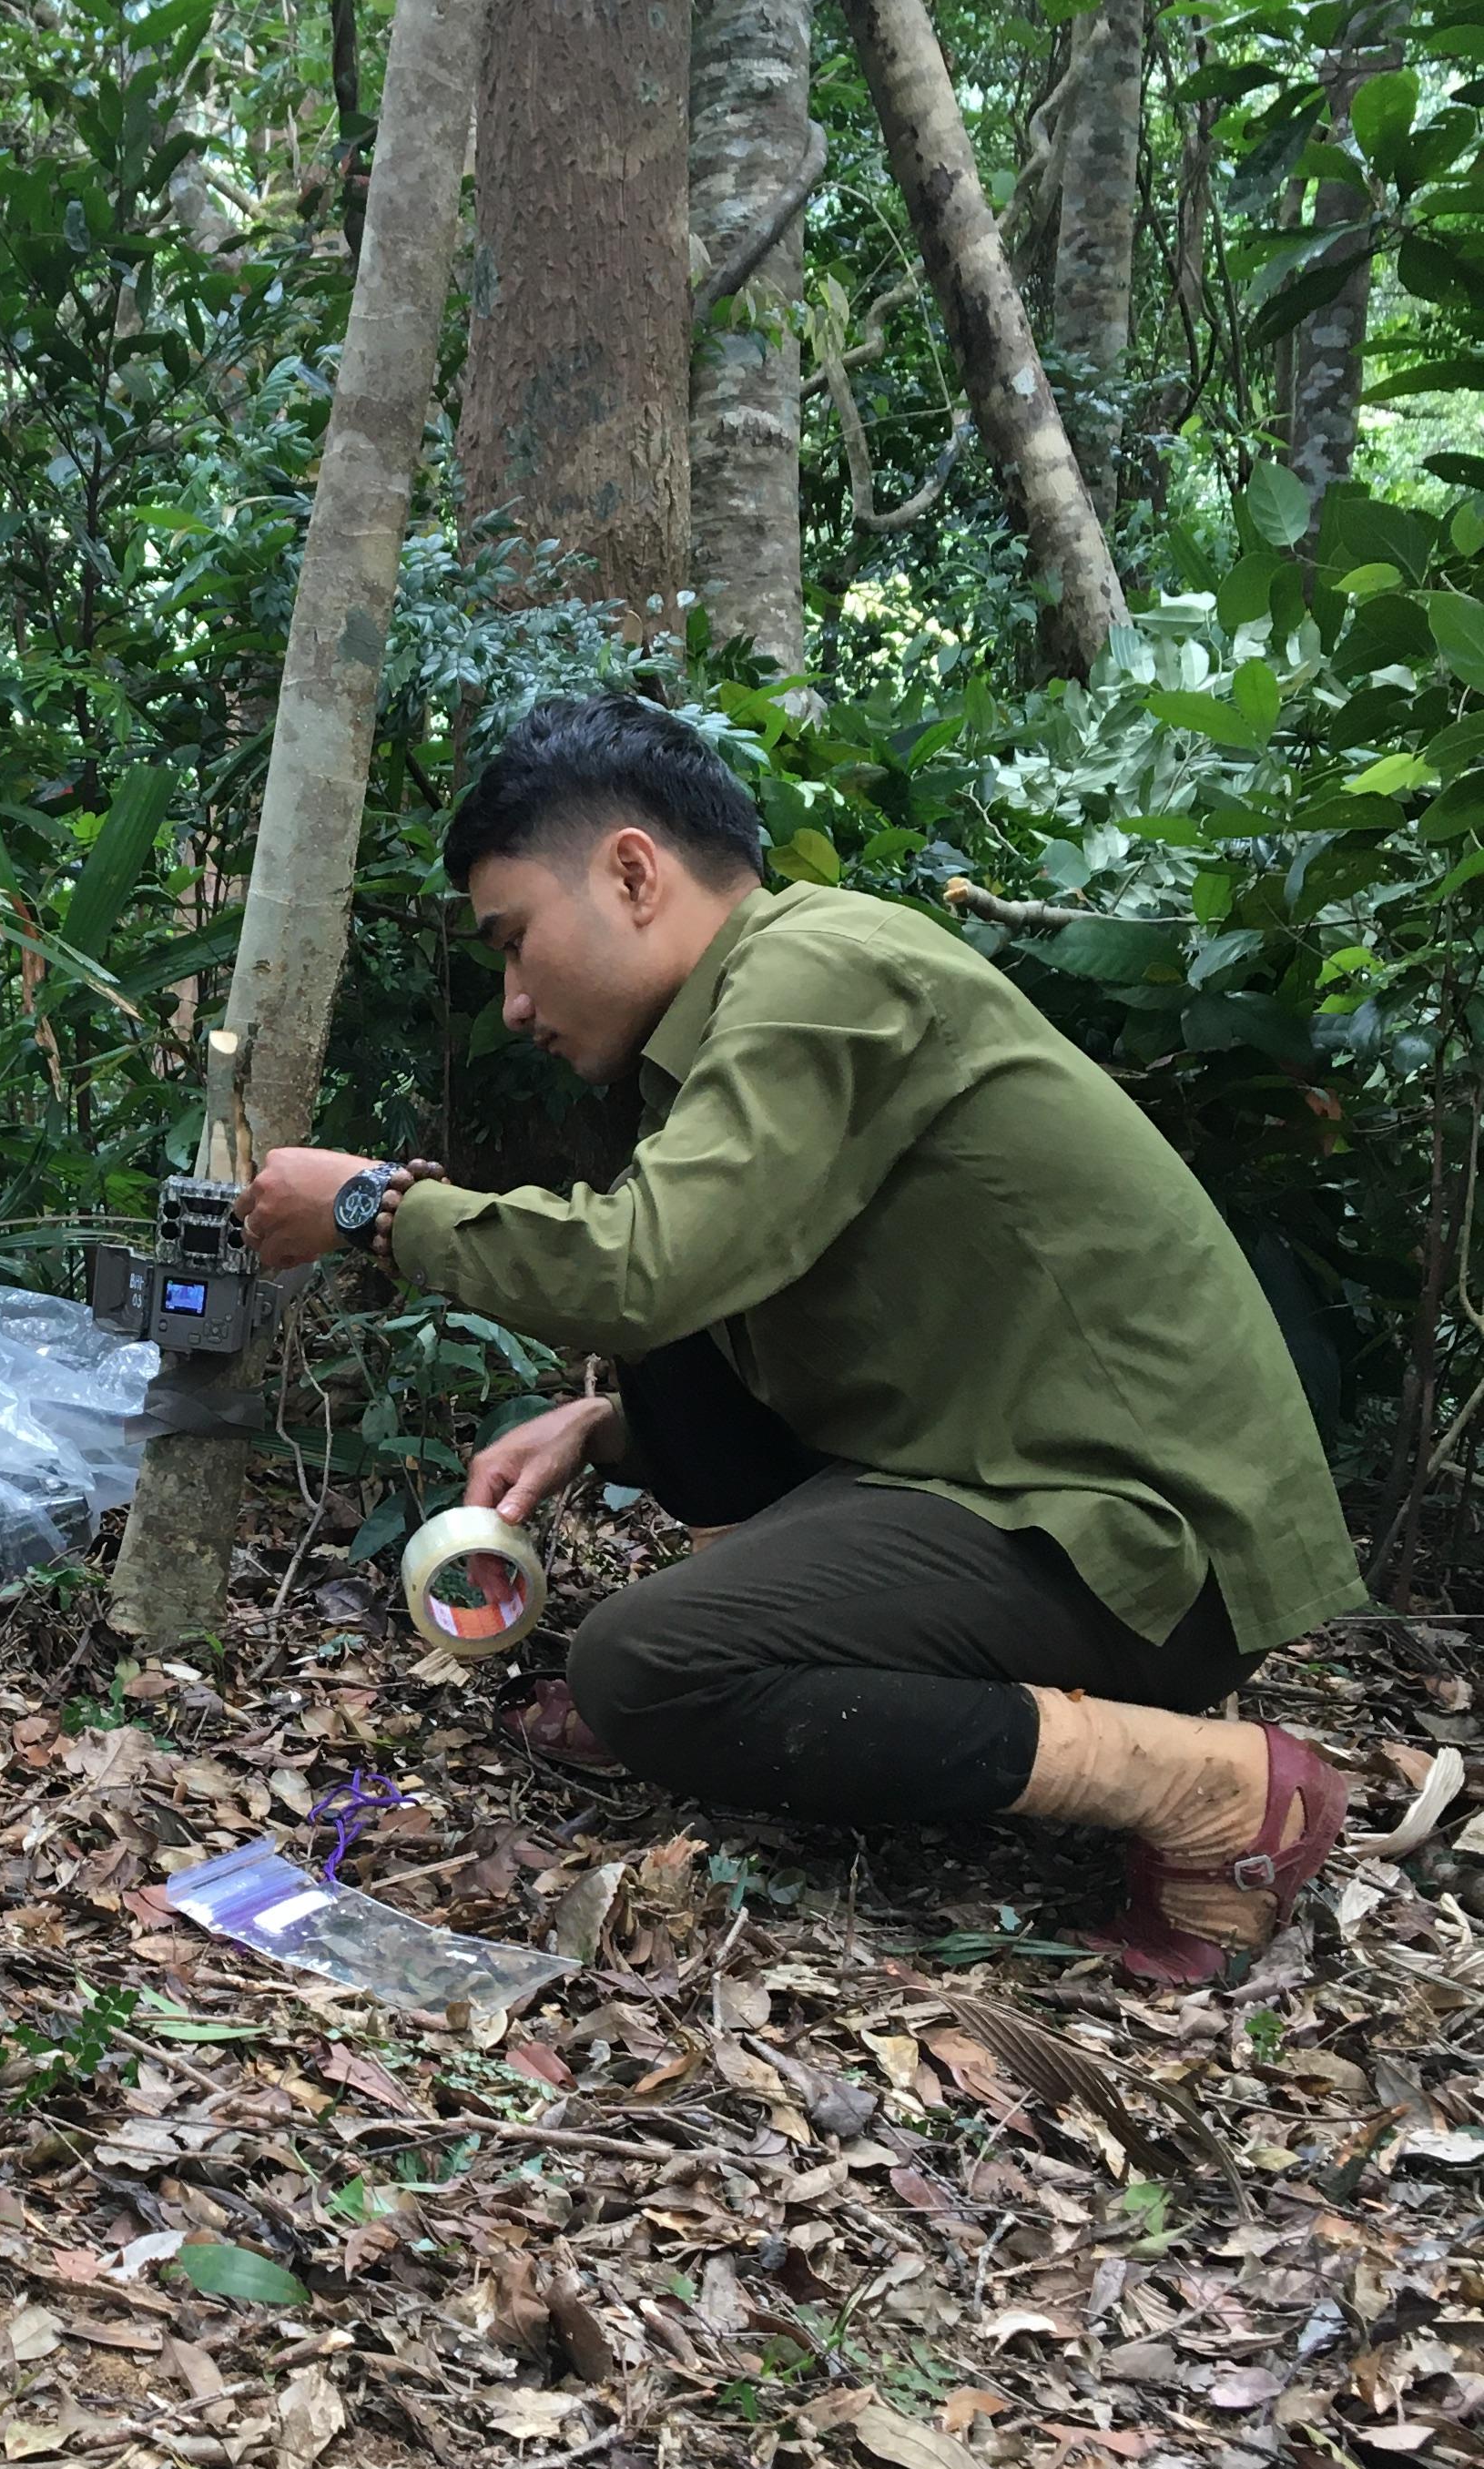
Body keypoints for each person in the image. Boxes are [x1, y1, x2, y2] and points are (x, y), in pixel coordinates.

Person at [239, 693, 1364, 1986]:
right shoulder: (742, 1015)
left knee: (645, 1664)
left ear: (631, 871)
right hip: (1015, 1478)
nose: (511, 1002)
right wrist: (607, 1424)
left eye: (515, 941)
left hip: (1137, 1536)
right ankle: (764, 1649)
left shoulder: (816, 977)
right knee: (670, 1328)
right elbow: (698, 1282)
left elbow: (641, 1272)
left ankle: (1215, 1789)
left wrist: (373, 1205)